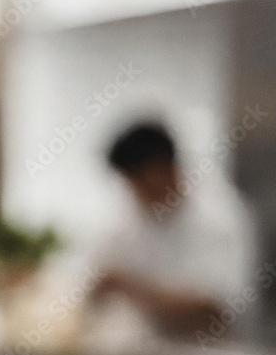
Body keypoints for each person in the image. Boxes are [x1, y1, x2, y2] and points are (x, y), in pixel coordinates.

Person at [90, 121, 255, 337]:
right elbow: (99, 276)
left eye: (139, 181)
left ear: (161, 168)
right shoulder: (133, 218)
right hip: (155, 353)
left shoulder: (219, 215)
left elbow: (214, 309)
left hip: (215, 353)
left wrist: (128, 287)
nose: (135, 192)